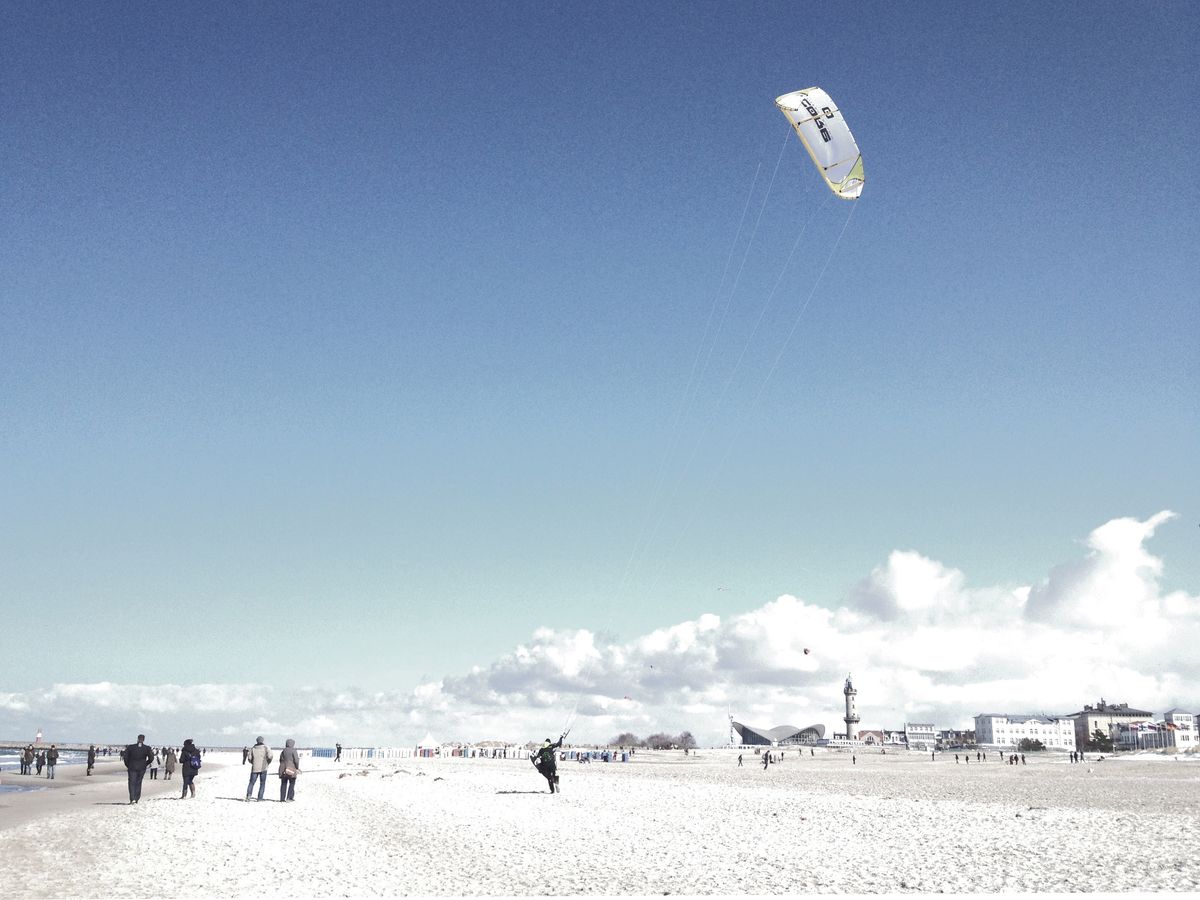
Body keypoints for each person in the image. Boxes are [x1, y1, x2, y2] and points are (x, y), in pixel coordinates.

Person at [123, 734, 155, 804]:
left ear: (137, 739)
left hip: (132, 767)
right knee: (138, 782)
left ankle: (132, 798)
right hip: (141, 767)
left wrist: (128, 765)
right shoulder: (147, 748)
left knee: (132, 783)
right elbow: (151, 758)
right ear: (143, 740)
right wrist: (145, 763)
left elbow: (125, 757)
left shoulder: (131, 747)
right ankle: (136, 798)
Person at [246, 736, 272, 801]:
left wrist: (253, 763)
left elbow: (249, 758)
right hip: (263, 768)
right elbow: (270, 756)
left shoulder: (253, 748)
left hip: (254, 768)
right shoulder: (266, 748)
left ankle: (248, 796)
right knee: (262, 783)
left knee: (251, 782)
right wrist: (267, 762)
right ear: (262, 741)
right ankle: (260, 798)